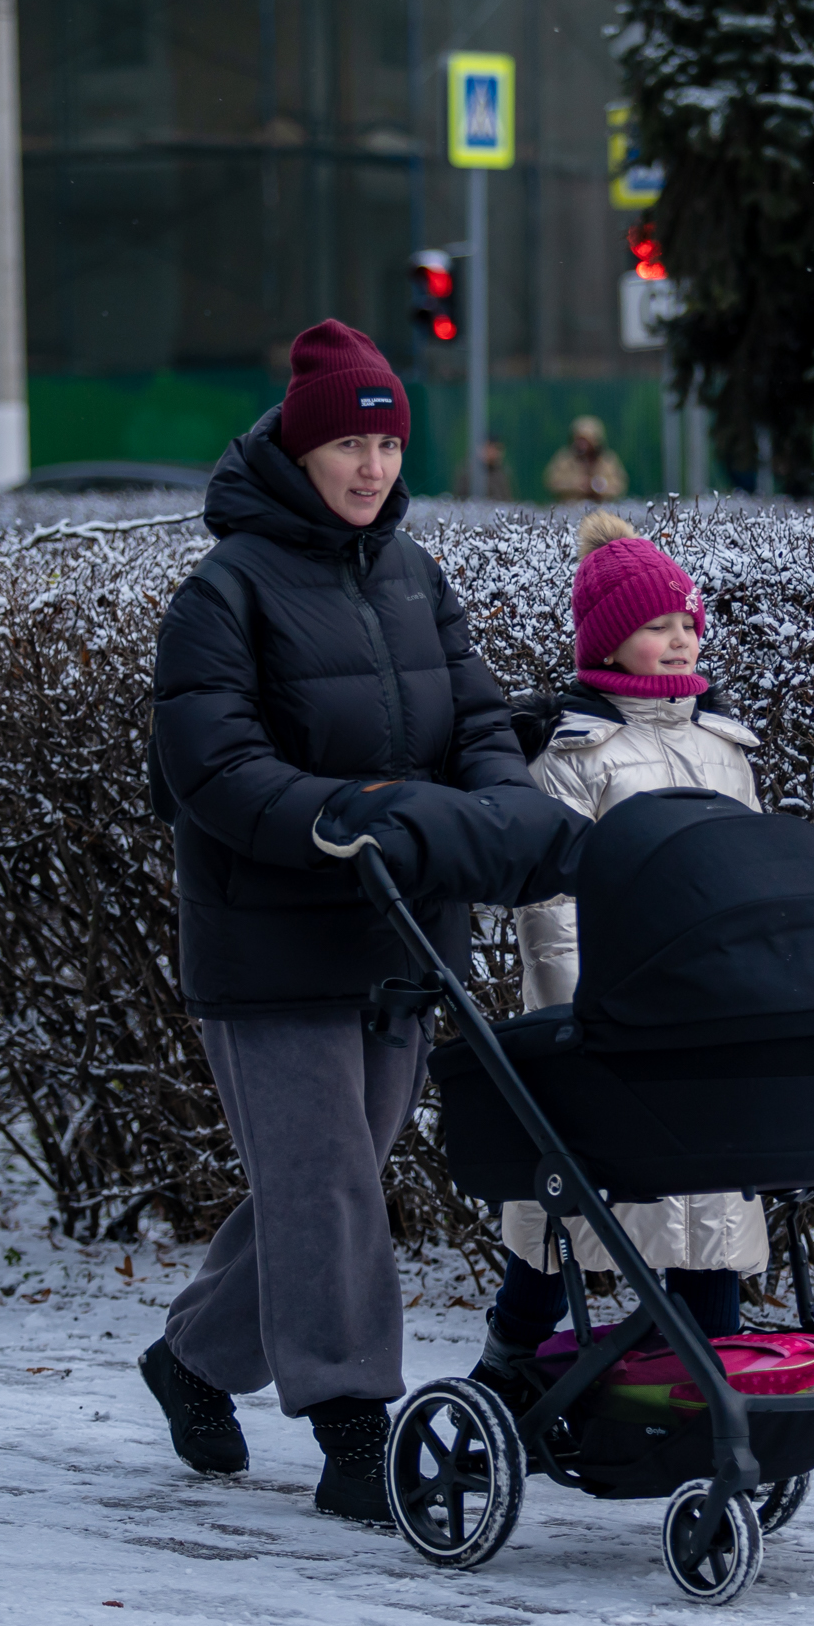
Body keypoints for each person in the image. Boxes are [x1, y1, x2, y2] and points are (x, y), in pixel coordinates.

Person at [138, 319, 542, 1524]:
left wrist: (508, 809)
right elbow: (211, 766)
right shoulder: (224, 593)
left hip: (400, 929)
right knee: (324, 1186)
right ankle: (355, 1422)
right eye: (348, 445)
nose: (372, 467)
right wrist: (338, 819)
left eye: (386, 443)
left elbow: (471, 722)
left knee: (335, 1181)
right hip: (271, 937)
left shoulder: (415, 575)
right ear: (299, 450)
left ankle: (194, 1359)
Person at [469, 510, 768, 1401]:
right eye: (656, 626)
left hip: (708, 1016)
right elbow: (552, 909)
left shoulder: (724, 746)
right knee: (574, 1209)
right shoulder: (575, 755)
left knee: (709, 1204)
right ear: (609, 638)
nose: (679, 641)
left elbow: (748, 876)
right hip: (606, 1019)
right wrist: (574, 1017)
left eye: (688, 623)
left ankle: (708, 1380)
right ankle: (512, 1351)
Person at [543, 415, 627, 503]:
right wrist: (577, 485)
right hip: (569, 508)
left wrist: (599, 488)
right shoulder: (564, 459)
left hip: (602, 508)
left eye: (586, 440)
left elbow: (619, 486)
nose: (581, 444)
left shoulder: (608, 461)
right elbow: (551, 483)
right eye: (578, 439)